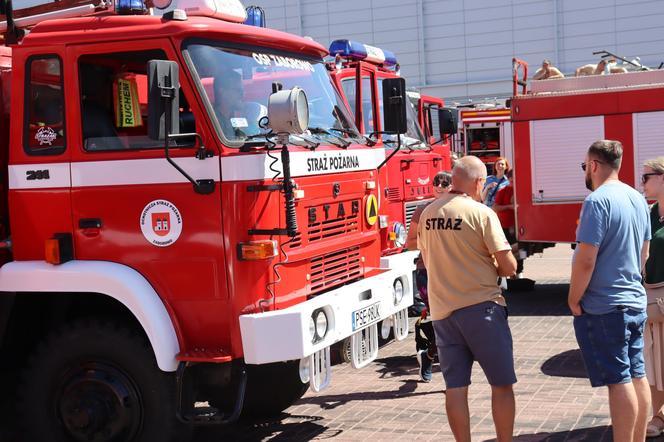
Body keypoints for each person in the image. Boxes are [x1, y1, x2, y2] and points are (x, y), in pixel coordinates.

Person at [417, 156, 517, 442]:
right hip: (482, 308)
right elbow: (508, 266)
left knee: (456, 387)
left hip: (443, 313)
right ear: (478, 182)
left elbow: (426, 257)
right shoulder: (481, 213)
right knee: (501, 385)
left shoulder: (428, 213)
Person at [568, 140, 651, 442]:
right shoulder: (637, 198)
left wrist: (574, 298)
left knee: (619, 381)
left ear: (593, 165)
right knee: (637, 375)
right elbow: (645, 254)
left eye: (584, 167)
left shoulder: (596, 201)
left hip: (606, 306)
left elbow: (585, 259)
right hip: (634, 300)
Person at [405, 171, 452, 382]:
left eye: (445, 183)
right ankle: (431, 356)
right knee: (441, 319)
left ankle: (431, 355)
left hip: (454, 274)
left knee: (453, 320)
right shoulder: (422, 210)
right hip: (427, 271)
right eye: (437, 183)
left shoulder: (458, 210)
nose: (440, 186)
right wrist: (432, 242)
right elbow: (410, 243)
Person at [641, 157, 664, 437]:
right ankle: (657, 416)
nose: (642, 183)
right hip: (650, 297)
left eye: (647, 177)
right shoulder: (648, 213)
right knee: (654, 361)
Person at [213, 70, 265, 140]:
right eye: (237, 90)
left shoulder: (238, 117)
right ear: (222, 92)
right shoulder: (212, 121)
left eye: (242, 90)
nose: (242, 94)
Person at [492, 169, 524, 277]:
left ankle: (518, 272)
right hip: (504, 226)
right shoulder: (503, 191)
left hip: (517, 226)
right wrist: (510, 207)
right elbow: (495, 207)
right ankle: (507, 274)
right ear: (509, 178)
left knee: (519, 252)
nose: (513, 181)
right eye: (511, 179)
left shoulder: (521, 190)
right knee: (506, 251)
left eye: (515, 179)